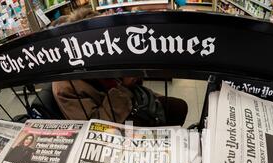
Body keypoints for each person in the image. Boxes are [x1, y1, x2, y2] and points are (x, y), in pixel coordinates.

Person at [51, 8, 188, 126]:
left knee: (179, 107)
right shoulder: (65, 85)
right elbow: (95, 125)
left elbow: (134, 86)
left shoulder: (104, 53)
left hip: (132, 101)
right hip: (115, 120)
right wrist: (125, 87)